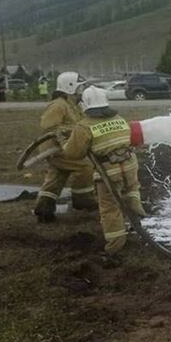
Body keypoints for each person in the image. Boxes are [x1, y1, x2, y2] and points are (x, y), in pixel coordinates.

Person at [60, 86, 145, 254]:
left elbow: (73, 153)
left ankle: (115, 245)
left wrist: (64, 142)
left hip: (109, 172)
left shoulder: (84, 126)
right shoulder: (119, 118)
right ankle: (137, 217)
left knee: (110, 208)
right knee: (131, 192)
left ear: (85, 105)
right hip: (130, 165)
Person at [33, 72, 97, 222]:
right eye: (79, 87)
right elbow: (48, 127)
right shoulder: (58, 105)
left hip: (63, 148)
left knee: (57, 176)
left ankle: (44, 209)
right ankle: (82, 198)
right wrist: (67, 132)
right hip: (57, 149)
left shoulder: (72, 105)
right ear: (70, 87)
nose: (82, 91)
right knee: (86, 166)